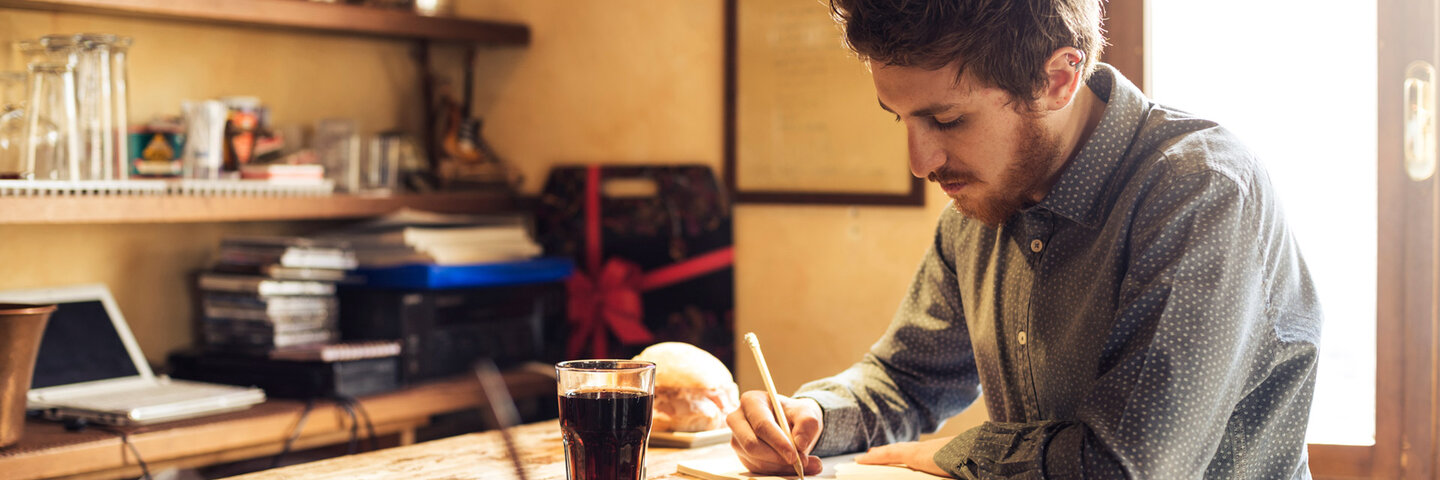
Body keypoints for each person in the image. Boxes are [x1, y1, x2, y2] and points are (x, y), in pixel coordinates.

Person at [724, 0, 1323, 478]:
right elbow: (909, 378)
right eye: (898, 117)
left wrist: (954, 454)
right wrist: (812, 417)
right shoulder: (979, 203)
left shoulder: (1201, 191)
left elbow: (1128, 467)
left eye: (948, 119)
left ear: (1060, 77)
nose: (919, 161)